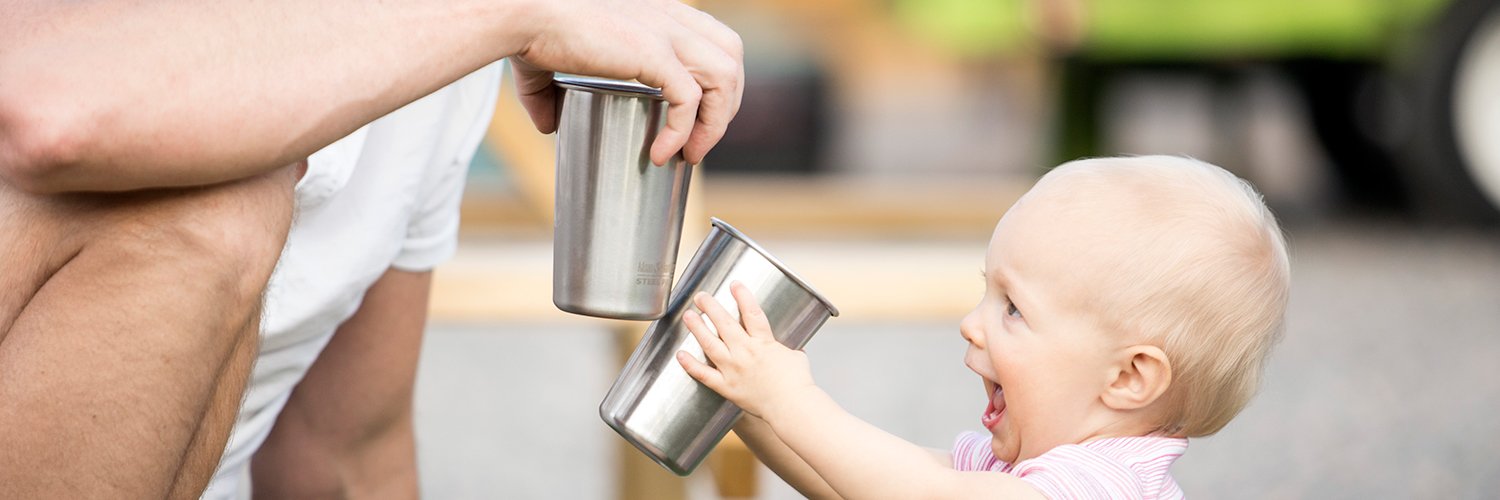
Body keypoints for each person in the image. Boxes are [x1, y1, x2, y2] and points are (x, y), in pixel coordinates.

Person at [0, 0, 742, 498]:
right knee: (220, 198)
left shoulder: (441, 57)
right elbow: (55, 115)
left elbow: (346, 452)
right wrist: (516, 12)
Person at [677, 155, 1290, 499]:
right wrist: (751, 406)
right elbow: (858, 484)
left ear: (1129, 376)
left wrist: (792, 400)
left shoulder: (1103, 490)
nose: (971, 325)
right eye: (985, 293)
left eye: (1013, 309)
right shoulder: (1025, 469)